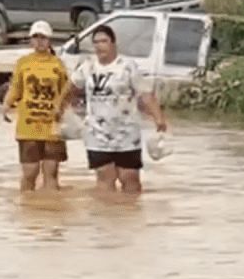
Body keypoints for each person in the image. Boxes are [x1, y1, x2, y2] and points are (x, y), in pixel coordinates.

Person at [63, 24, 169, 194]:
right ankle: (105, 218)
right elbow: (70, 88)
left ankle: (130, 217)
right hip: (97, 135)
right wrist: (61, 108)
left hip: (126, 135)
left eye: (104, 41)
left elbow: (145, 94)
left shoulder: (127, 66)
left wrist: (158, 118)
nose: (99, 46)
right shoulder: (88, 66)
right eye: (96, 42)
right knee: (105, 179)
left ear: (113, 43)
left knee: (130, 179)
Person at [2, 20, 70, 192]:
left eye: (43, 37)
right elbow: (16, 87)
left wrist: (64, 113)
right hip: (28, 127)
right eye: (36, 37)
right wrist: (6, 105)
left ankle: (51, 209)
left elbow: (66, 92)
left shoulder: (58, 64)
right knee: (30, 172)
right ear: (31, 40)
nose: (40, 41)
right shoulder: (23, 63)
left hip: (52, 127)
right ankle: (26, 206)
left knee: (51, 172)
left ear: (49, 41)